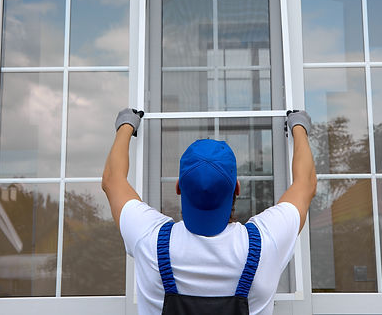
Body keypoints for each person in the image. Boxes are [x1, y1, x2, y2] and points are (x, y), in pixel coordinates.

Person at [102, 108, 317, 315]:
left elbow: (113, 181)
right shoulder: (266, 242)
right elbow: (305, 184)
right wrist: (298, 126)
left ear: (178, 187)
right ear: (237, 188)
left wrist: (126, 124)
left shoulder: (149, 238)